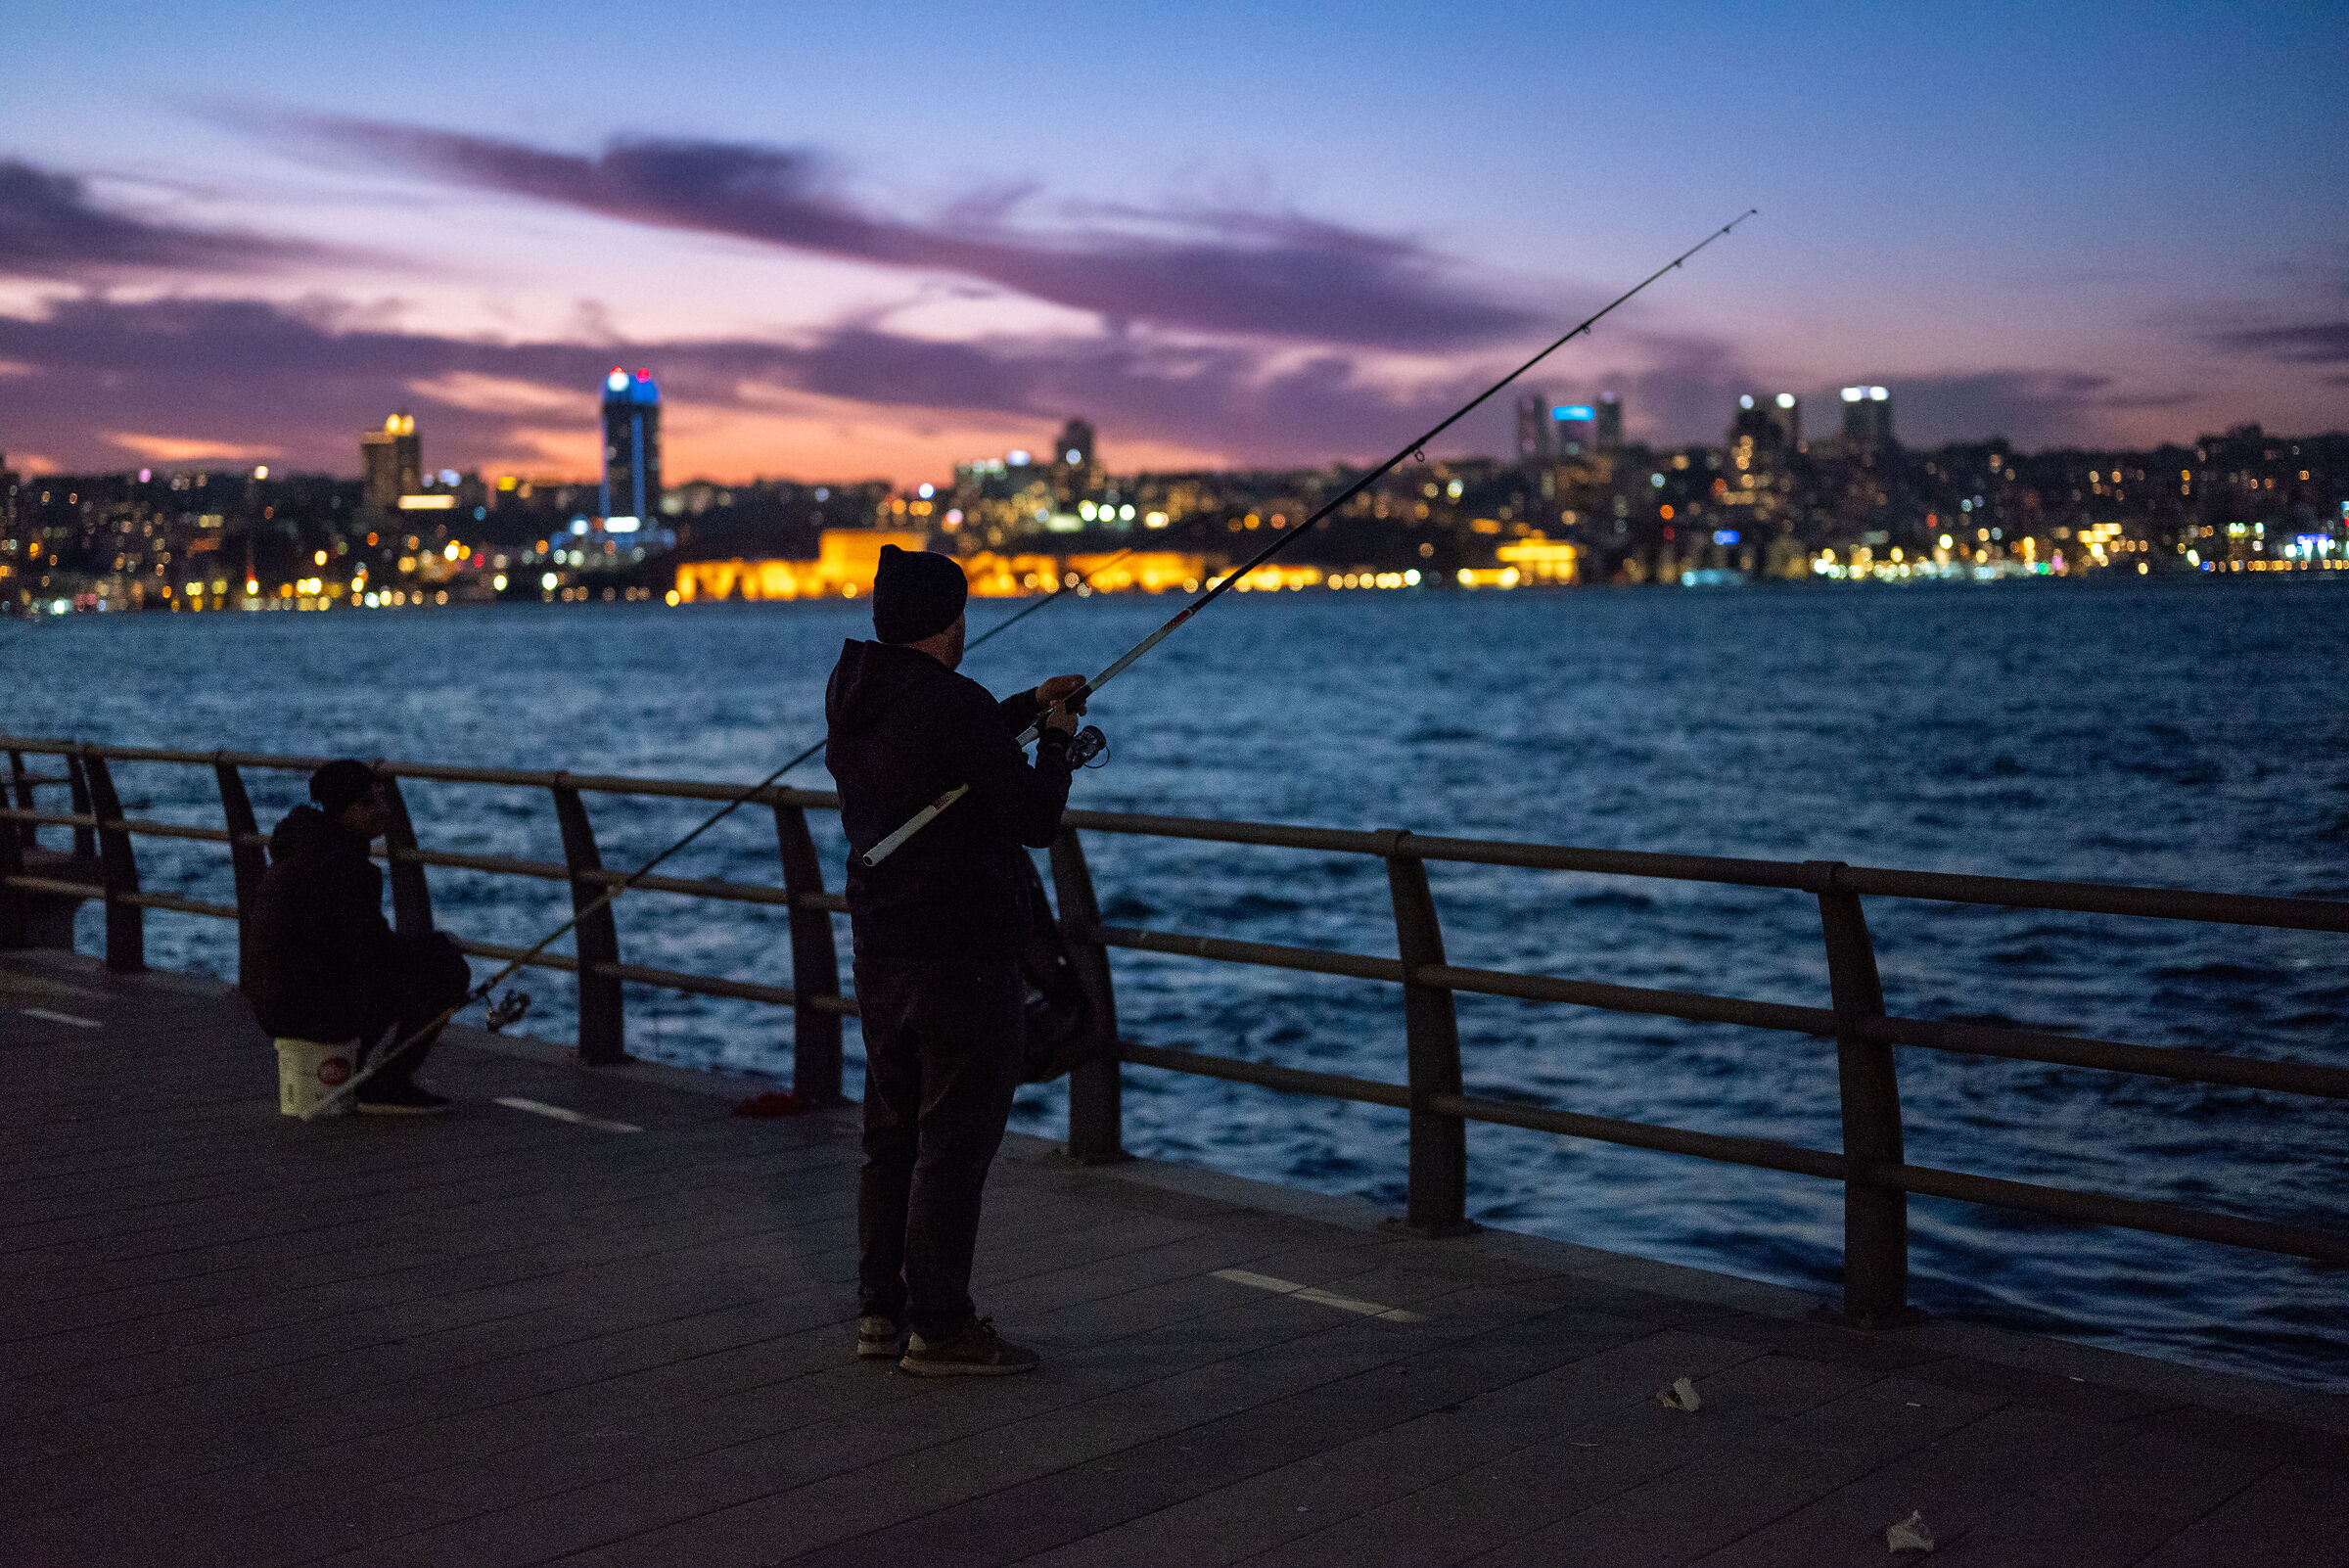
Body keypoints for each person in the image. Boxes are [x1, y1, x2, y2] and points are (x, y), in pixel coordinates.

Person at [826, 544, 1087, 1376]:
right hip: (962, 958)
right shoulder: (954, 704)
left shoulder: (855, 692)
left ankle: (881, 1313)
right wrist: (1057, 738)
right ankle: (941, 1328)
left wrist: (1023, 706)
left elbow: (939, 741)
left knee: (891, 1136)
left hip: (882, 952)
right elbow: (1033, 818)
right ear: (951, 620)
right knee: (955, 1144)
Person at [242, 760, 470, 1115]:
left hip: (275, 1000)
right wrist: (439, 947)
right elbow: (372, 950)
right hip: (305, 1007)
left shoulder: (304, 848)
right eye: (368, 803)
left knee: (395, 971)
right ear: (342, 810)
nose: (382, 810)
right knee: (448, 972)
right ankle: (385, 1085)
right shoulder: (339, 867)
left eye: (381, 797)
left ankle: (361, 1068)